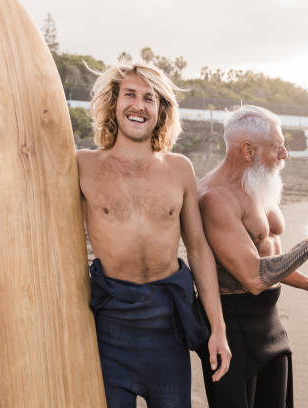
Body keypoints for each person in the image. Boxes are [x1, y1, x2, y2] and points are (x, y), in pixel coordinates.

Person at [76, 63, 231, 408]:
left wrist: (218, 330)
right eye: (129, 94)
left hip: (167, 327)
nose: (139, 105)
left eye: (150, 98)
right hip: (109, 326)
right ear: (114, 102)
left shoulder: (179, 168)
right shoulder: (83, 165)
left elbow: (198, 248)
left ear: (161, 110)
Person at [197, 105, 308, 408]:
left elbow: (265, 256)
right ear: (248, 149)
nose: (285, 154)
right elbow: (252, 276)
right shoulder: (215, 197)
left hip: (270, 324)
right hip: (234, 328)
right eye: (277, 147)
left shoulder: (257, 184)